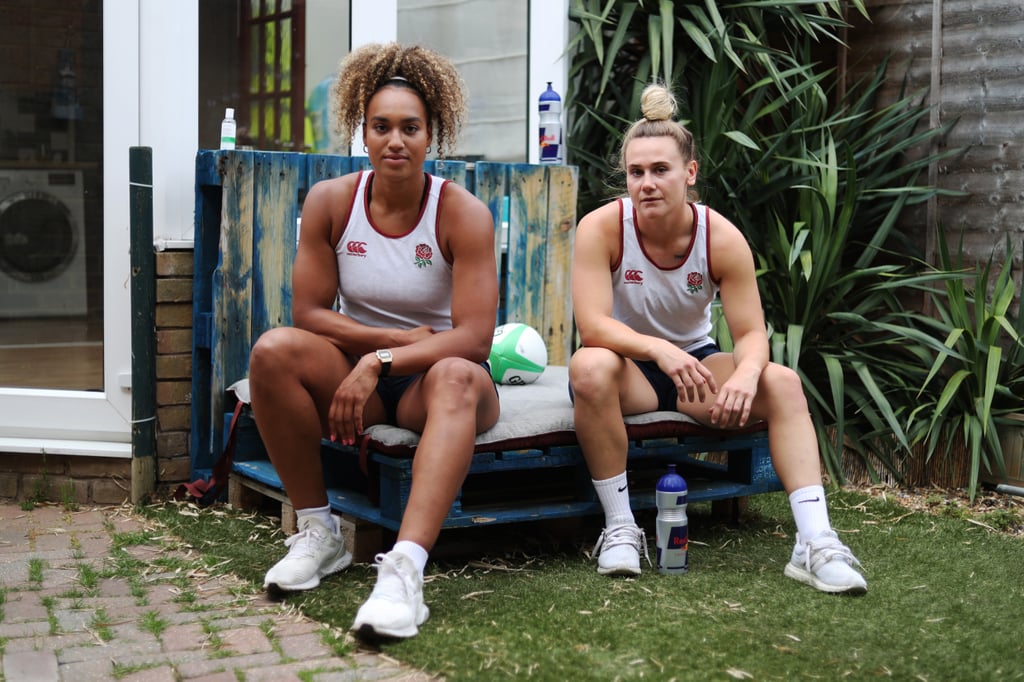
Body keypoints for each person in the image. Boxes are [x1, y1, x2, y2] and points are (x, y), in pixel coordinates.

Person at [568, 82, 867, 594]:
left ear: (690, 173)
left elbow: (751, 332)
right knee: (588, 366)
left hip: (697, 372)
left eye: (661, 170)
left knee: (784, 383)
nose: (647, 183)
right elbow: (592, 326)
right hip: (631, 370)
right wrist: (658, 349)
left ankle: (815, 543)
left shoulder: (721, 237)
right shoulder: (602, 227)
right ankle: (620, 527)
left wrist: (748, 375)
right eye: (636, 172)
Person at [247, 42, 501, 639]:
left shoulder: (461, 213)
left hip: (438, 376)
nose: (396, 141)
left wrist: (386, 360)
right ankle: (319, 533)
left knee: (460, 375)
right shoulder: (332, 202)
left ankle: (404, 572)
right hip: (366, 366)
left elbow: (474, 339)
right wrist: (381, 343)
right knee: (271, 351)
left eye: (410, 128)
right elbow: (308, 312)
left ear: (431, 134)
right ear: (362, 133)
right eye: (381, 126)